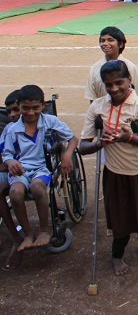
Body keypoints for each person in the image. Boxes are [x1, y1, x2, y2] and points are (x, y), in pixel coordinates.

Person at [79, 60, 138, 276]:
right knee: (119, 220)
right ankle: (117, 256)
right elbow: (82, 147)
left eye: (119, 82)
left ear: (130, 80)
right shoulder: (97, 107)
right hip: (114, 174)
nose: (114, 88)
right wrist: (101, 143)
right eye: (108, 85)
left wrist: (131, 138)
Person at [2, 85, 79, 252]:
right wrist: (10, 162)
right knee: (15, 192)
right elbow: (7, 154)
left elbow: (72, 139)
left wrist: (67, 155)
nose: (30, 112)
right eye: (25, 108)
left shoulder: (50, 122)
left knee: (37, 187)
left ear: (43, 106)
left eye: (35, 108)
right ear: (19, 105)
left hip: (43, 167)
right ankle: (28, 234)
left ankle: (44, 230)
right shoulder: (12, 129)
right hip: (21, 169)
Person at [85, 27, 138, 102]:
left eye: (110, 40)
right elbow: (92, 99)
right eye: (102, 40)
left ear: (121, 44)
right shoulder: (95, 69)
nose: (105, 44)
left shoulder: (130, 67)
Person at [0, 90, 23, 269]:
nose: (12, 115)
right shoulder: (8, 130)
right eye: (8, 112)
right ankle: (16, 236)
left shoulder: (43, 125)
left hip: (31, 171)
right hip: (10, 169)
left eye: (16, 109)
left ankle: (19, 238)